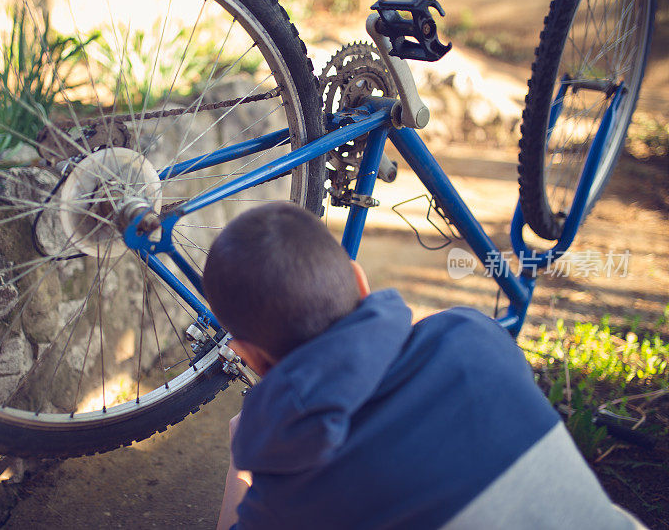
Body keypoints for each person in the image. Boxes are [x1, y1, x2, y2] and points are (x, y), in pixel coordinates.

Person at [203, 202, 644, 530]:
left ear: (247, 354)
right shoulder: (475, 336)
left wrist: (240, 467)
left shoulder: (287, 494)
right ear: (360, 280)